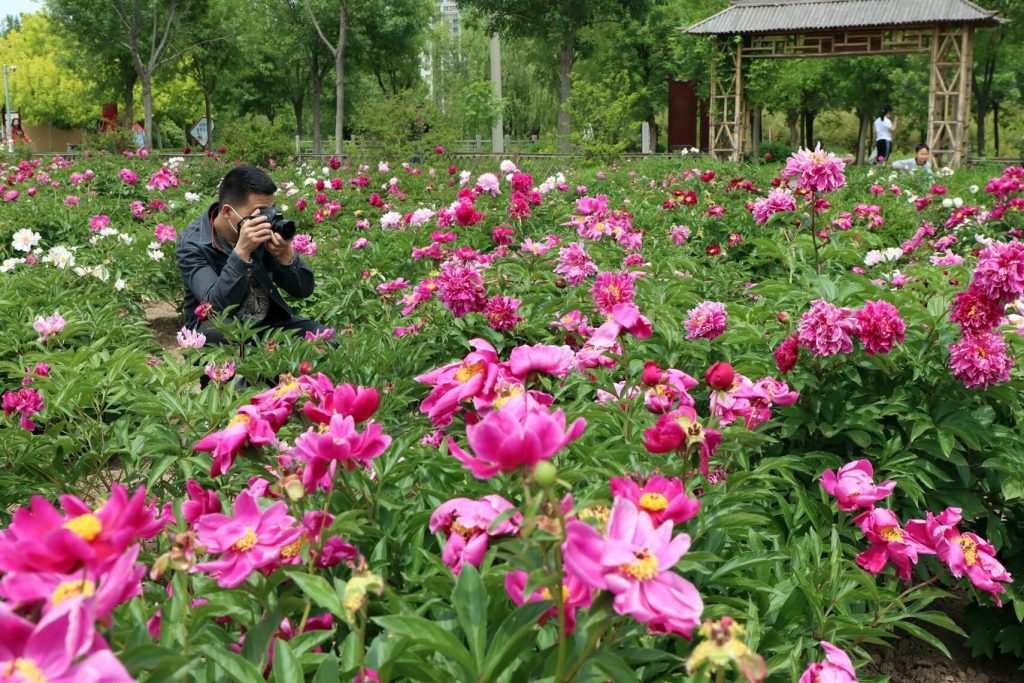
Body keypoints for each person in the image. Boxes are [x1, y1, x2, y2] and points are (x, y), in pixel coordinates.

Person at [176, 165, 330, 345]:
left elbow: (303, 291)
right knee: (220, 332)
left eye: (271, 210)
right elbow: (214, 308)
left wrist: (287, 256)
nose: (266, 219)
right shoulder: (193, 244)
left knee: (325, 338)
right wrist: (241, 253)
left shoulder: (264, 230)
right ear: (227, 212)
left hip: (268, 326)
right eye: (258, 213)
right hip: (217, 332)